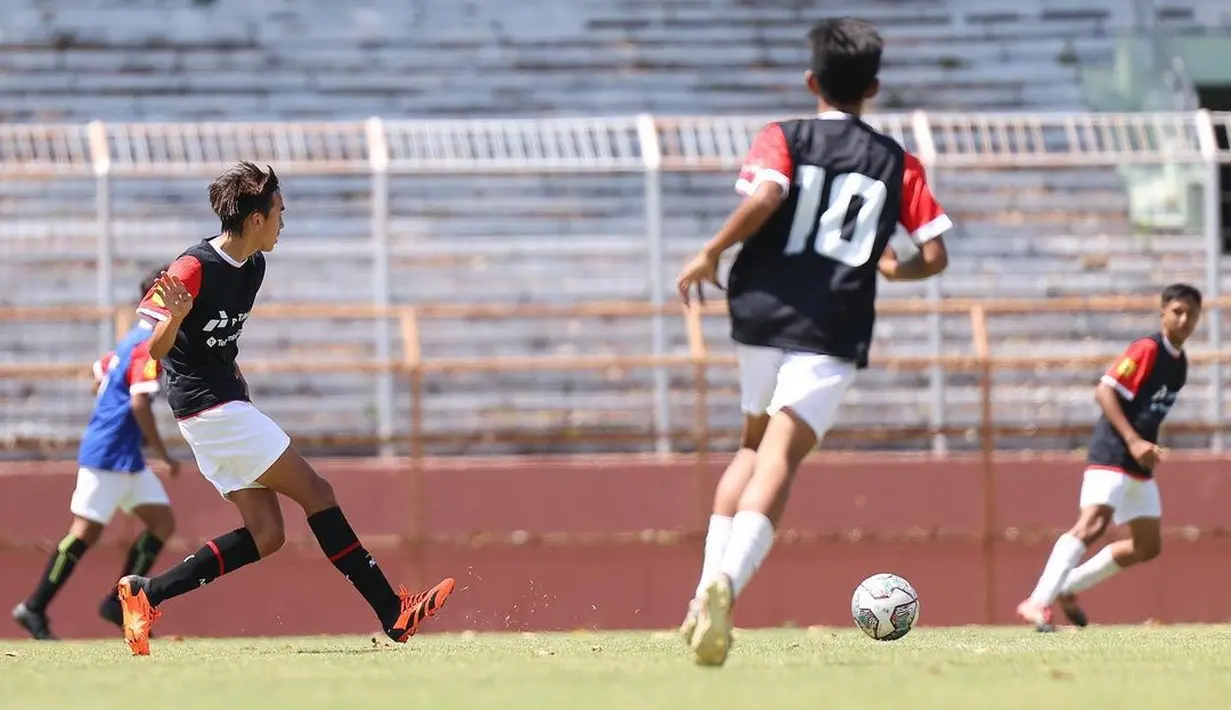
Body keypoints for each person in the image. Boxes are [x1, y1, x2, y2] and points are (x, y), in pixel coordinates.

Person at [674, 17, 952, 667]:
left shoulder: (782, 135)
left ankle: (699, 596)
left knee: (749, 444)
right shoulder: (895, 160)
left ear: (810, 81)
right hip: (832, 324)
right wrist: (894, 268)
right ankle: (726, 585)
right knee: (779, 459)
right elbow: (934, 255)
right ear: (873, 87)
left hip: (760, 311)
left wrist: (712, 250)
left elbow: (768, 193)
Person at [115, 162, 454, 656]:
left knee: (267, 533)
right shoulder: (191, 267)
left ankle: (148, 592)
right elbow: (155, 349)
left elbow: (219, 342)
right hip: (209, 408)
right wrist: (177, 320)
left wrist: (234, 376)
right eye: (279, 211)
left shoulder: (254, 266)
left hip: (218, 406)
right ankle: (392, 611)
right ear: (255, 219)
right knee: (317, 491)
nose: (282, 221)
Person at [1017, 283, 1202, 632]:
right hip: (1113, 452)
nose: (1185, 318)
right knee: (1094, 522)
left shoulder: (1180, 364)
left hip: (1138, 462)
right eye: (1177, 311)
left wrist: (1146, 447)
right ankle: (1037, 602)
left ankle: (1069, 586)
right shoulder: (1147, 349)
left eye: (1191, 313)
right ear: (1162, 312)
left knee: (1147, 545)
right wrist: (1133, 440)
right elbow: (1105, 390)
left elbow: (1148, 410)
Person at [12, 266, 181, 640]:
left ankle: (118, 604)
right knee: (84, 532)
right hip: (109, 454)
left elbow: (99, 376)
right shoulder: (147, 345)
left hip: (125, 458)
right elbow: (139, 404)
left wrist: (110, 406)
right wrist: (165, 455)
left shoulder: (129, 340)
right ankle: (34, 607)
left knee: (163, 523)